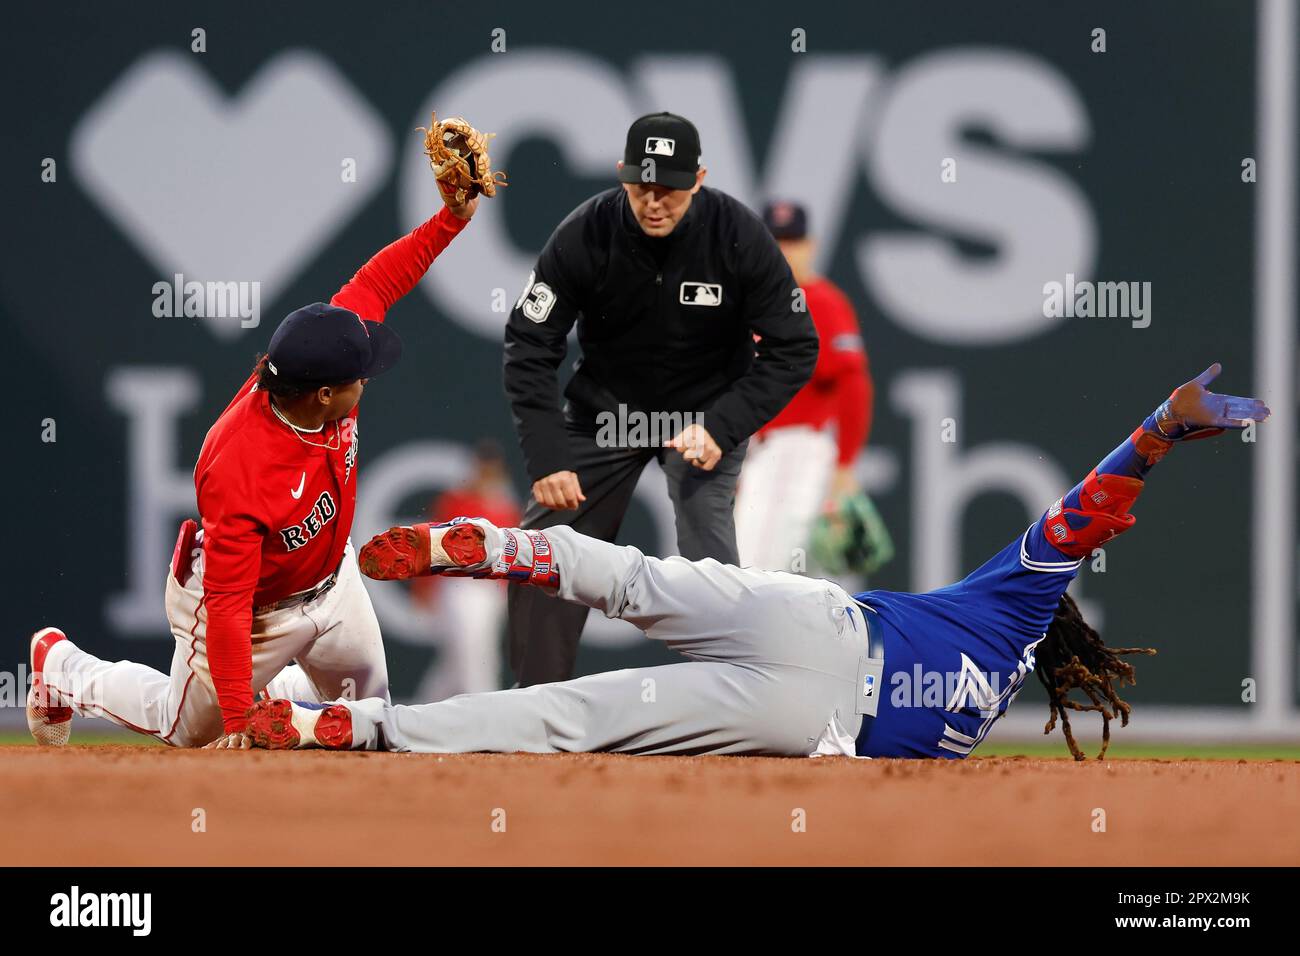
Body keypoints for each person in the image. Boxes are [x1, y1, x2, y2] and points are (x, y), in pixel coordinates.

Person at [240, 365, 1268, 761]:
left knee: (636, 578)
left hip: (818, 618)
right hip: (814, 722)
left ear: (1060, 623)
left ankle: (507, 544)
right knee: (574, 716)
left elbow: (1077, 517)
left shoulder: (1008, 606)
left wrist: (1153, 436)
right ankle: (362, 726)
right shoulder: (980, 710)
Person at [25, 152, 485, 749]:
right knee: (186, 730)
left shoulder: (323, 354)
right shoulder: (241, 467)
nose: (367, 378)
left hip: (332, 583)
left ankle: (282, 695)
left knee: (370, 725)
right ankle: (61, 667)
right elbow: (229, 607)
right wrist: (242, 723)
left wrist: (452, 218)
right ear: (324, 394)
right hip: (250, 613)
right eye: (359, 375)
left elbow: (378, 282)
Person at [502, 112, 818, 686]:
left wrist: (722, 427)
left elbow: (794, 348)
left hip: (703, 415)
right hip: (606, 414)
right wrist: (547, 458)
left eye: (670, 188)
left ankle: (734, 698)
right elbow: (530, 342)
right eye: (641, 186)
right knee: (547, 548)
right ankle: (534, 703)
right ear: (620, 177)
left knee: (709, 558)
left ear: (698, 179)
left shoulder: (738, 236)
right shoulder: (585, 233)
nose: (654, 202)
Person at [734, 200, 874, 572]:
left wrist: (845, 465)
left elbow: (854, 385)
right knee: (762, 570)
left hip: (798, 448)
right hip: (758, 452)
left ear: (810, 245)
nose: (784, 250)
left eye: (792, 240)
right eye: (775, 240)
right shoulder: (752, 302)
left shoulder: (825, 303)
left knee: (756, 571)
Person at [410, 441, 521, 700]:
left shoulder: (505, 506)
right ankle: (485, 714)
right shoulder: (455, 501)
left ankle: (422, 712)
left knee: (466, 656)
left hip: (491, 592)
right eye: (482, 468)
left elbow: (512, 556)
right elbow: (431, 546)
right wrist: (423, 588)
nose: (485, 474)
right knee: (471, 654)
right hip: (459, 587)